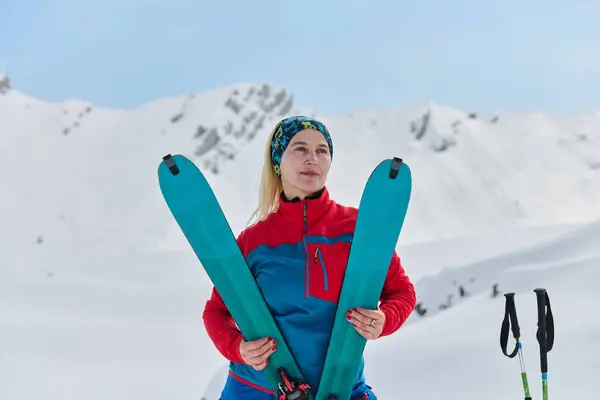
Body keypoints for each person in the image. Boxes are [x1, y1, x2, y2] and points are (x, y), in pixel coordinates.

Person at [202, 116, 416, 400]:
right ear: (277, 162)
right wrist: (237, 347)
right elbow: (216, 312)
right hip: (255, 390)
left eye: (321, 150)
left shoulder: (358, 229)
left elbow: (402, 292)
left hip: (338, 389)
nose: (312, 158)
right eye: (300, 149)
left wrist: (385, 319)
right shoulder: (253, 241)